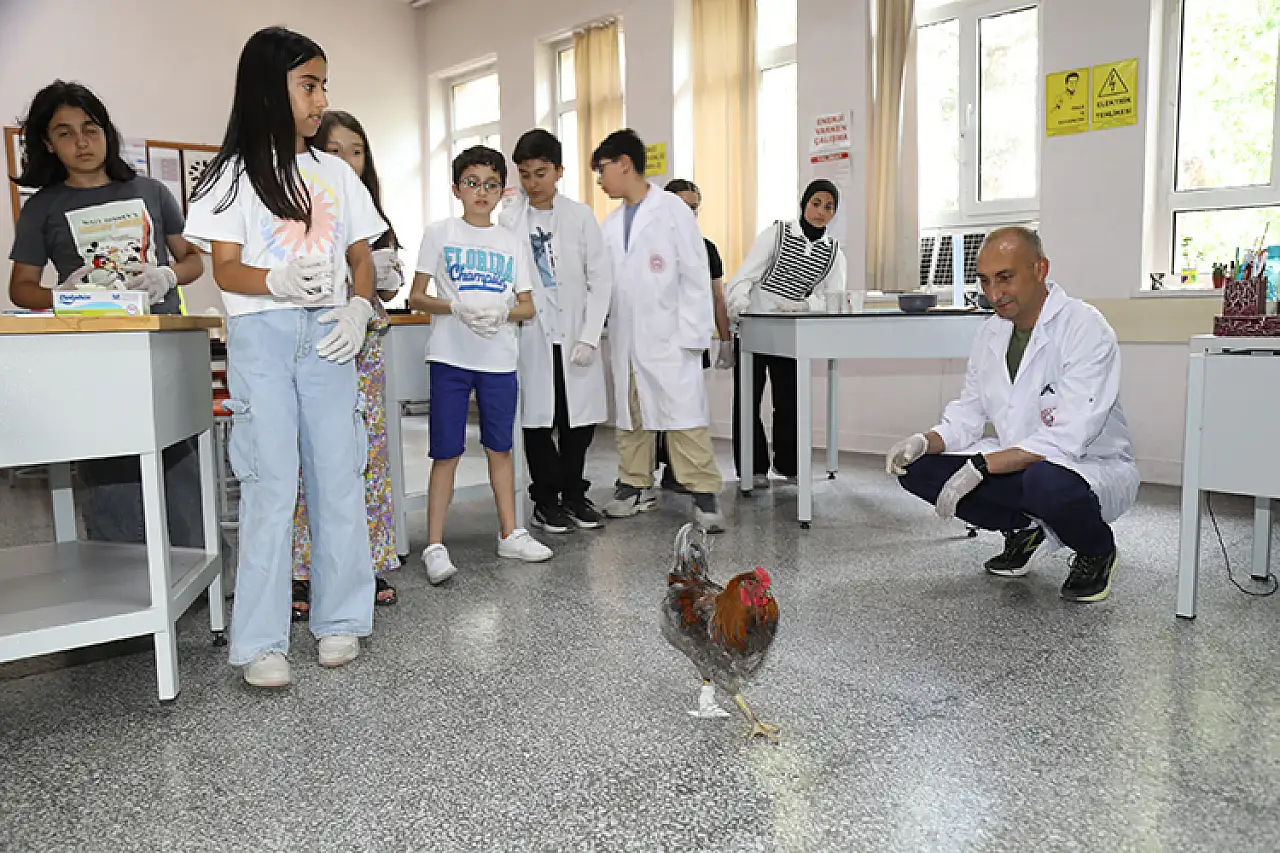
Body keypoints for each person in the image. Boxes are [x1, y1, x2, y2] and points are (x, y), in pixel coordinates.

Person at [186, 27, 386, 687]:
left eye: (324, 84)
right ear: (270, 88)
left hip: (330, 338)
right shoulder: (230, 175)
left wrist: (359, 309)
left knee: (337, 475)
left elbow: (361, 256)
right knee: (272, 482)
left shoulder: (332, 172)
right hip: (263, 338)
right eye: (310, 84)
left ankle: (340, 620)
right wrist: (273, 281)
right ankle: (262, 641)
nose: (322, 99)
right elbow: (225, 269)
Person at [886, 226, 1139, 603]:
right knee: (918, 468)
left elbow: (1067, 438)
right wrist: (925, 440)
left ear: (1040, 269)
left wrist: (984, 466)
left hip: (1084, 465)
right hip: (1015, 459)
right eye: (985, 281)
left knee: (1045, 484)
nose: (994, 294)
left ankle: (1096, 549)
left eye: (1006, 278)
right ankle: (1023, 529)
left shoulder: (1084, 327)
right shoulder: (991, 333)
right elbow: (969, 412)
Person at [7, 80, 205, 548]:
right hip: (93, 352)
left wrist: (167, 276)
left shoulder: (151, 191)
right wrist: (64, 295)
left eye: (90, 129)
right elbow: (20, 288)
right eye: (65, 133)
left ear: (107, 133)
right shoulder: (43, 207)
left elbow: (193, 260)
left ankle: (195, 562)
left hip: (159, 341)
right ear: (47, 144)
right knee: (108, 464)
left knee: (178, 458)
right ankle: (121, 571)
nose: (81, 142)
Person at [408, 145, 552, 584]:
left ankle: (510, 532)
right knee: (446, 450)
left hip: (498, 358)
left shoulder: (510, 241)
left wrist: (501, 313)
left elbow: (528, 306)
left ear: (501, 191)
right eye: (472, 183)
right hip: (450, 357)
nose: (481, 192)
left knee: (501, 447)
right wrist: (454, 307)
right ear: (457, 188)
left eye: (491, 184)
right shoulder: (440, 232)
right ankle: (434, 544)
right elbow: (415, 296)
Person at [290, 110, 403, 621]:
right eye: (334, 150)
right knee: (305, 457)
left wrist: (380, 277)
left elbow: (385, 287)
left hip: (364, 344)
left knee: (365, 457)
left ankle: (367, 562)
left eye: (355, 150)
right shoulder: (293, 209)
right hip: (309, 343)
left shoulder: (374, 217)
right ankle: (303, 569)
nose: (346, 161)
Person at [590, 129, 725, 532]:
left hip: (670, 337)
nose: (600, 179)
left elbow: (694, 275)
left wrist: (692, 337)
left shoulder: (672, 210)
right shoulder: (610, 224)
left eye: (603, 169)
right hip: (628, 338)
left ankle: (704, 494)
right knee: (631, 414)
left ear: (624, 164)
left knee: (683, 417)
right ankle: (633, 485)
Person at [500, 128, 612, 534]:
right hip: (533, 333)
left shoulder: (580, 216)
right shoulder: (512, 219)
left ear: (559, 171)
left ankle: (574, 494)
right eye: (526, 174)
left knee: (577, 423)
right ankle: (546, 500)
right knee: (537, 421)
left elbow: (601, 279)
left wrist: (588, 334)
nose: (533, 183)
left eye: (541, 173)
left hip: (575, 332)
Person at [725, 179, 846, 490]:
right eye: (815, 204)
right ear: (804, 204)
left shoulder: (834, 254)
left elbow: (834, 299)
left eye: (828, 206)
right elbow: (744, 276)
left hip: (793, 330)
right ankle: (752, 469)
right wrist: (739, 305)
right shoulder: (776, 233)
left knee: (789, 400)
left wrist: (804, 304)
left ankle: (789, 464)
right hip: (754, 325)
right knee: (748, 399)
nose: (821, 211)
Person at [653, 178, 733, 494]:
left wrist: (724, 339)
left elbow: (717, 298)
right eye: (681, 207)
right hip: (656, 341)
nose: (688, 214)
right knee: (652, 410)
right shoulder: (650, 247)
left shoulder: (706, 249)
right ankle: (639, 477)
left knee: (685, 409)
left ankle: (679, 472)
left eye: (694, 208)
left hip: (691, 341)